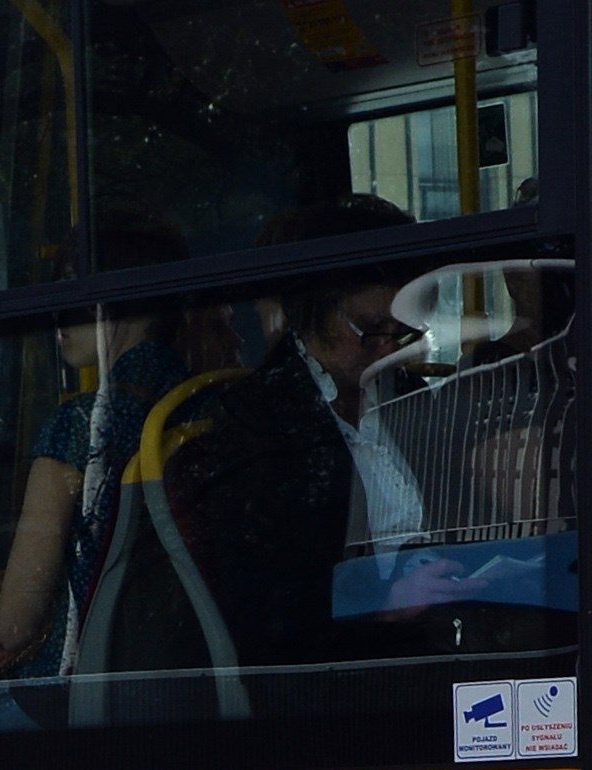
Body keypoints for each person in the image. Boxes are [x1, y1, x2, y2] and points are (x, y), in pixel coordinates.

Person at [0, 219, 213, 689]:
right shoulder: (203, 403)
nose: (59, 315)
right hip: (193, 666)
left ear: (119, 297)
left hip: (80, 689)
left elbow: (16, 627)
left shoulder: (81, 425)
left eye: (73, 293)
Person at [158, 194, 430, 665]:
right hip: (334, 672)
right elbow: (257, 606)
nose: (388, 348)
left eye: (403, 331)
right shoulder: (255, 421)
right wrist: (382, 603)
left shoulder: (411, 396)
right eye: (369, 329)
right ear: (311, 312)